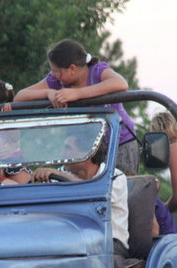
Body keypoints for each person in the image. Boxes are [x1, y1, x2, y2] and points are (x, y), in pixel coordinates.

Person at [14, 39, 140, 176]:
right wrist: (48, 93)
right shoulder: (56, 81)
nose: (54, 74)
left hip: (119, 143)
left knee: (120, 187)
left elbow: (121, 84)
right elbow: (20, 97)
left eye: (57, 71)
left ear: (72, 68)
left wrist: (77, 94)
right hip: (84, 150)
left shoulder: (97, 71)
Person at [32, 136, 131, 268]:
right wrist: (37, 179)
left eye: (68, 149)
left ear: (89, 153)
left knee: (93, 258)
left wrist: (62, 176)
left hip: (109, 242)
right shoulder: (59, 175)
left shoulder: (115, 177)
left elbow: (98, 192)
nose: (63, 154)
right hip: (69, 240)